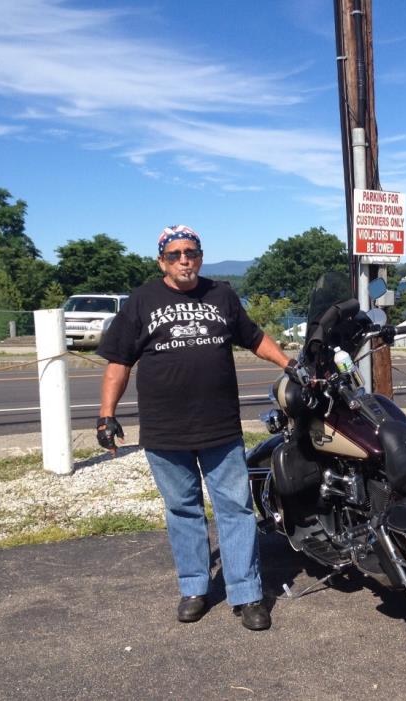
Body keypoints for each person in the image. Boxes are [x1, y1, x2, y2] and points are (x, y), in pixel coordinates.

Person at [95, 224, 294, 631]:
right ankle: (194, 588)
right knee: (183, 510)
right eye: (175, 254)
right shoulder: (141, 301)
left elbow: (253, 337)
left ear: (200, 256)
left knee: (235, 510)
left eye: (191, 252)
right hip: (165, 430)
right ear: (161, 260)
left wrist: (290, 364)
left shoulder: (220, 294)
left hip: (219, 427)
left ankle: (248, 594)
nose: (184, 260)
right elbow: (119, 362)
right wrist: (105, 414)